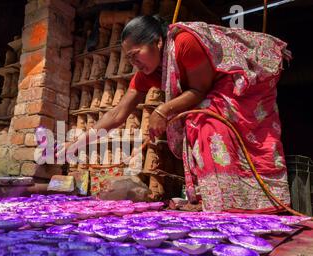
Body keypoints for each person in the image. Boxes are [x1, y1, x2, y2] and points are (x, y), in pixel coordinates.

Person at [62, 15, 292, 213]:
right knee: (197, 120)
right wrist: (75, 145)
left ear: (158, 42)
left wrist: (162, 110)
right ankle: (217, 200)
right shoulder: (147, 73)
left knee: (205, 122)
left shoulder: (185, 42)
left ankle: (234, 203)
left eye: (135, 55)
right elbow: (117, 114)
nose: (134, 64)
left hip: (239, 83)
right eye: (129, 59)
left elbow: (199, 90)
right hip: (207, 91)